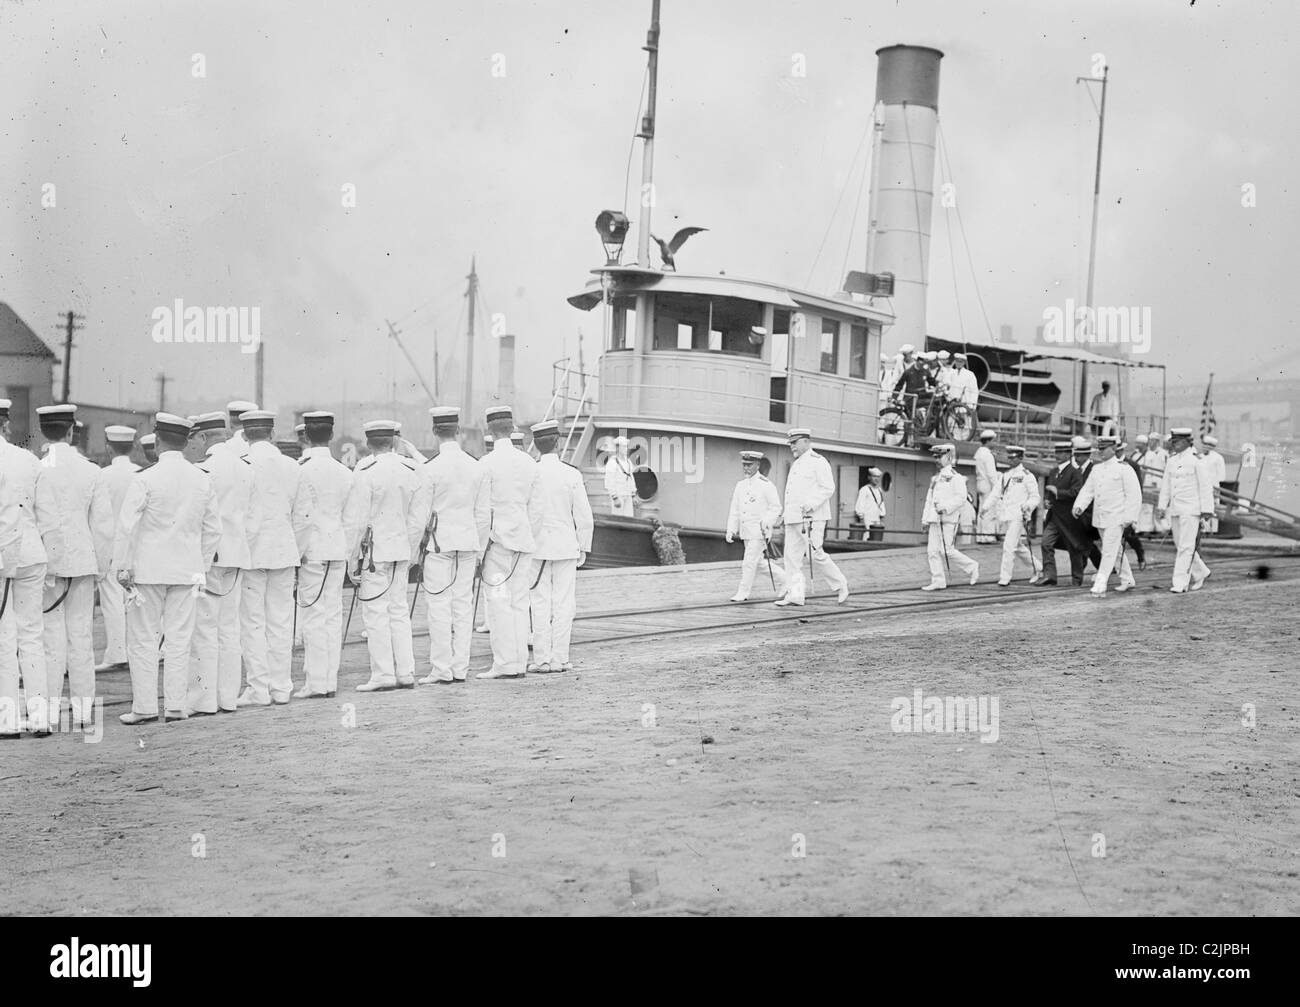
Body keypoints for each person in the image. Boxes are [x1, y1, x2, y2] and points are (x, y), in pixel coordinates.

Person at [114, 414, 221, 724]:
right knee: (179, 640)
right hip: (187, 572)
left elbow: (126, 526)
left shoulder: (145, 478)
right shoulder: (201, 478)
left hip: (147, 572)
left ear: (158, 442)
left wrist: (123, 566)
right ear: (185, 442)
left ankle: (145, 707)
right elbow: (213, 530)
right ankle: (175, 706)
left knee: (143, 640)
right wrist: (200, 565)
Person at [35, 405, 113, 730]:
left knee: (50, 639)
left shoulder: (37, 469)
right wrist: (102, 568)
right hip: (83, 562)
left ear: (44, 432)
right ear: (70, 431)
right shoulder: (91, 470)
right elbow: (104, 528)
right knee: (81, 637)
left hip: (47, 566)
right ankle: (83, 714)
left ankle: (49, 714)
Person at [344, 420, 423, 690]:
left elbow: (356, 521)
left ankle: (383, 674)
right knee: (399, 611)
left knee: (376, 613)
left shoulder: (365, 470)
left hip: (374, 554)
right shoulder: (411, 468)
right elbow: (417, 519)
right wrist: (411, 551)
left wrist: (352, 559)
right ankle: (406, 672)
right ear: (393, 441)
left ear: (368, 443)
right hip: (401, 550)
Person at [187, 412, 253, 716]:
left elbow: (199, 522)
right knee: (230, 628)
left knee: (205, 629)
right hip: (237, 555)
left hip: (210, 557)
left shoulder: (203, 470)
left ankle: (204, 699)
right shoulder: (245, 467)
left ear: (202, 437)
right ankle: (228, 697)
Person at [236, 410, 302, 707]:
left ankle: (258, 688)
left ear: (245, 434)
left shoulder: (241, 465)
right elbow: (303, 516)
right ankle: (281, 687)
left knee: (252, 622)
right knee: (281, 620)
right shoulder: (291, 465)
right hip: (284, 549)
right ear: (272, 434)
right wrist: (295, 548)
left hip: (251, 553)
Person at [413, 407, 484, 685]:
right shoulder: (476, 466)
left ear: (435, 432)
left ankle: (441, 669)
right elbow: (482, 513)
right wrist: (478, 549)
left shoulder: (429, 469)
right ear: (458, 431)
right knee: (463, 608)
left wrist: (413, 553)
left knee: (439, 607)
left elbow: (420, 516)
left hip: (439, 546)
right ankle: (460, 669)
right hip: (467, 544)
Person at [0, 398, 55, 736]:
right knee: (32, 635)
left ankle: (6, 720)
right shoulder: (28, 460)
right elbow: (47, 516)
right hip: (32, 553)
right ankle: (41, 717)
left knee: (4, 637)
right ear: (5, 424)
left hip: (4, 556)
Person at [290, 411, 353, 699]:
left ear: (305, 435)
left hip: (312, 551)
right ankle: (329, 680)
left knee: (313, 616)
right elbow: (352, 520)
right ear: (331, 435)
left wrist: (298, 552)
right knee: (332, 615)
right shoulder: (344, 471)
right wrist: (346, 550)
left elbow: (301, 518)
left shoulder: (300, 469)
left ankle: (316, 683)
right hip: (337, 549)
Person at [475, 405, 539, 679]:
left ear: (490, 430)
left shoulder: (485, 464)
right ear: (513, 428)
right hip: (523, 543)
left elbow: (480, 513)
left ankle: (504, 664)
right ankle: (519, 663)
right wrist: (528, 536)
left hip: (496, 547)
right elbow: (537, 510)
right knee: (519, 603)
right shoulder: (528, 462)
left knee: (499, 604)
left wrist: (479, 550)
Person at [526, 419, 593, 673]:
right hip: (566, 546)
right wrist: (584, 546)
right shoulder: (572, 474)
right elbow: (584, 516)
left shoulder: (530, 472)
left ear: (536, 445)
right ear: (558, 442)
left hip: (537, 548)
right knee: (564, 603)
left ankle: (541, 659)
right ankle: (560, 658)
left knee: (539, 602)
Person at [776, 429, 849, 606]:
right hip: (793, 518)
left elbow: (828, 487)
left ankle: (841, 585)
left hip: (812, 518)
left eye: (795, 442)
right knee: (791, 557)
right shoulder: (797, 464)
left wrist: (810, 504)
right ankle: (796, 595)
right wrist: (784, 516)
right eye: (790, 443)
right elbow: (791, 495)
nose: (792, 446)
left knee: (814, 555)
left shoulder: (818, 461)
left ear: (806, 442)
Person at [94, 425, 140, 673]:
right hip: (136, 546)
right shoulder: (141, 473)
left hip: (110, 545)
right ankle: (136, 650)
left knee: (111, 600)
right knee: (137, 600)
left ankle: (117, 652)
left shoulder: (103, 475)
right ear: (133, 447)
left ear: (109, 448)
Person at [1073, 435, 1141, 596]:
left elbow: (1134, 495)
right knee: (1115, 550)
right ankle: (1127, 579)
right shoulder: (1097, 469)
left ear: (1113, 449)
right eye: (1099, 449)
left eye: (1104, 449)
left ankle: (1101, 582)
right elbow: (1088, 490)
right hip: (1101, 517)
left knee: (1109, 551)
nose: (1101, 452)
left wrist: (1129, 518)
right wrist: (1079, 506)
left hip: (1117, 517)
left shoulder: (1124, 469)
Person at [1159, 427, 1213, 593]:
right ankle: (1202, 571)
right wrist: (1162, 506)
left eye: (1177, 442)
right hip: (1175, 509)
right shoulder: (1172, 461)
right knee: (1180, 544)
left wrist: (1207, 510)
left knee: (1186, 547)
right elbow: (1166, 486)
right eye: (1173, 442)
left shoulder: (1197, 461)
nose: (1174, 445)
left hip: (1191, 509)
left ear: (1186, 442)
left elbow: (1205, 487)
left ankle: (1180, 583)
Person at [725, 450, 784, 602]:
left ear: (757, 465)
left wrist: (766, 522)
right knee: (758, 563)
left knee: (749, 562)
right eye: (744, 465)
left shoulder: (766, 485)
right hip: (746, 531)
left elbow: (776, 507)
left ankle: (743, 593)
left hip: (759, 531)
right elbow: (735, 509)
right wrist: (731, 529)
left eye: (749, 465)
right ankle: (786, 581)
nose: (746, 468)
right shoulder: (740, 485)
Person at [920, 443, 979, 590]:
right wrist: (925, 519)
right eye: (936, 457)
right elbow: (929, 499)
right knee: (932, 551)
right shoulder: (935, 479)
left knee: (947, 550)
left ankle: (972, 567)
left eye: (939, 457)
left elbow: (961, 498)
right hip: (934, 519)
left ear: (948, 457)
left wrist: (945, 508)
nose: (937, 460)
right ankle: (938, 580)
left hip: (948, 520)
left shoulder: (955, 477)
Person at [988, 445, 1040, 586]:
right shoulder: (1005, 476)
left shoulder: (1027, 475)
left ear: (1021, 458)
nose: (1010, 460)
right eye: (1009, 457)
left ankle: (1005, 577)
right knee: (1018, 547)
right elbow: (995, 493)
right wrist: (985, 508)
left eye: (1014, 457)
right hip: (1006, 516)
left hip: (1018, 516)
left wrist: (1028, 506)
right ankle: (1038, 568)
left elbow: (1035, 497)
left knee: (1008, 546)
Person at [1117, 440, 1147, 570]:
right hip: (1114, 505)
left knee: (1128, 535)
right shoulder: (1108, 465)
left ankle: (1140, 556)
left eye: (1117, 450)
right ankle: (1117, 566)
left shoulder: (1132, 465)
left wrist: (1134, 508)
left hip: (1127, 505)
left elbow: (1137, 488)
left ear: (1121, 450)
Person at [1139, 433, 1168, 534]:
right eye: (1149, 440)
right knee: (1147, 505)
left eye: (1152, 441)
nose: (1150, 443)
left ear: (1156, 441)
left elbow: (1163, 468)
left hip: (1159, 481)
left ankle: (1160, 528)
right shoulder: (1148, 453)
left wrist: (1157, 481)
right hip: (1148, 481)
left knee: (1158, 505)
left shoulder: (1163, 453)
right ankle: (1147, 528)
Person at [973, 430, 998, 542]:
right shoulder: (987, 455)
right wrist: (997, 488)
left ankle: (980, 536)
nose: (995, 443)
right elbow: (991, 474)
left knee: (981, 511)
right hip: (988, 485)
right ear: (988, 441)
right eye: (993, 440)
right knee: (989, 511)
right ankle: (987, 536)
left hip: (980, 483)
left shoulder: (978, 453)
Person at [603, 435, 636, 516]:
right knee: (618, 519)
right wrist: (614, 497)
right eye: (624, 447)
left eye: (626, 446)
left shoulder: (628, 462)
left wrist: (633, 495)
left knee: (629, 519)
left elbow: (631, 478)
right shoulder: (612, 462)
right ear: (618, 448)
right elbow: (609, 481)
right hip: (618, 496)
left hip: (627, 495)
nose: (626, 449)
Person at [1200, 434, 1226, 533]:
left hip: (1214, 487)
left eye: (1208, 445)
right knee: (1203, 508)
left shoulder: (1218, 458)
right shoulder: (1200, 457)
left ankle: (1214, 530)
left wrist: (1217, 489)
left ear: (1212, 447)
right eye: (1204, 445)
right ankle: (1204, 529)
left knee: (1215, 509)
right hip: (1203, 488)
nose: (1205, 447)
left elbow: (1221, 475)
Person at [853, 467, 887, 539]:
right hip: (867, 519)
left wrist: (882, 518)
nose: (876, 479)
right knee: (866, 537)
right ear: (869, 477)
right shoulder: (864, 489)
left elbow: (881, 504)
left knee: (876, 539)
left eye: (878, 477)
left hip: (877, 519)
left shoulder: (879, 490)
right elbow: (860, 505)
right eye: (874, 476)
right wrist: (862, 521)